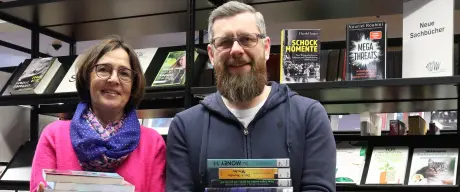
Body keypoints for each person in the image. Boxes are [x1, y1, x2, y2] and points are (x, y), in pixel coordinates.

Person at [166, 1, 336, 192]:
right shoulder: (185, 126)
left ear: (266, 48)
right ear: (212, 55)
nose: (236, 50)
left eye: (247, 39)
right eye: (225, 42)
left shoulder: (309, 116)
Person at [30, 36, 166, 192]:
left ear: (134, 85)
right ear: (87, 78)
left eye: (124, 73)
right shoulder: (54, 136)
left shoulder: (152, 143)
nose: (113, 79)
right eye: (103, 69)